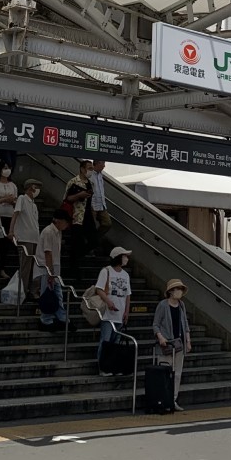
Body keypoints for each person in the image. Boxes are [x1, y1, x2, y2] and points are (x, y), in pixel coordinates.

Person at [153, 279, 192, 411]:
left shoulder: (181, 305)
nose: (179, 292)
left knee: (177, 374)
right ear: (170, 291)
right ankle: (163, 400)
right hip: (166, 345)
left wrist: (188, 340)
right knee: (165, 373)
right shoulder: (163, 305)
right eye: (177, 289)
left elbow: (185, 324)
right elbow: (156, 324)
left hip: (179, 345)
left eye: (181, 289)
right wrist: (161, 337)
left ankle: (173, 400)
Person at [95, 246, 133, 374]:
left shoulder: (125, 275)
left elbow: (128, 295)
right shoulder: (106, 271)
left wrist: (127, 312)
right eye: (124, 256)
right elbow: (99, 288)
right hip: (107, 313)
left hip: (120, 313)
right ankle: (102, 366)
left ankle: (112, 365)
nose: (126, 259)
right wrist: (108, 301)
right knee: (105, 340)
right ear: (118, 257)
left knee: (116, 341)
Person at [33, 210, 71, 328]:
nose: (66, 225)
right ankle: (46, 319)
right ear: (59, 221)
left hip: (53, 267)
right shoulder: (49, 232)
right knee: (48, 293)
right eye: (65, 222)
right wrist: (50, 272)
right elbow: (47, 253)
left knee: (57, 293)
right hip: (47, 268)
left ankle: (61, 317)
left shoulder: (57, 232)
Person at [12, 179, 43, 297]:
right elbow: (15, 214)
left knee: (34, 266)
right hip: (24, 237)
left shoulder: (34, 205)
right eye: (36, 187)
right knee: (25, 266)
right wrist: (11, 231)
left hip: (35, 238)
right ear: (31, 187)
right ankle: (23, 290)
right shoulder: (22, 199)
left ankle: (31, 289)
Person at [87, 159, 113, 253]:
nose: (104, 166)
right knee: (91, 226)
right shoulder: (90, 175)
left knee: (107, 223)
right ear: (97, 164)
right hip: (92, 205)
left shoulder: (100, 175)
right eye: (103, 164)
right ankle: (90, 245)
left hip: (102, 204)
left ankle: (95, 239)